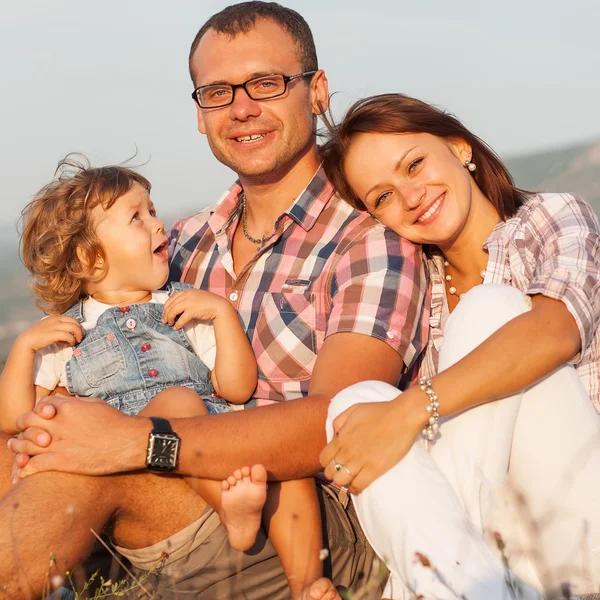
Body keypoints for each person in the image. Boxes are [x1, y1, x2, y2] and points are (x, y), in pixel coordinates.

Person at [0, 5, 428, 599]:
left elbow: (341, 424)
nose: (242, 107)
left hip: (298, 517)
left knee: (77, 476)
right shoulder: (176, 244)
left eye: (266, 83)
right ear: (199, 115)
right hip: (179, 495)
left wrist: (134, 441)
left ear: (317, 91)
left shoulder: (368, 244)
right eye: (218, 92)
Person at [0, 157, 339, 600]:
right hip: (129, 459)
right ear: (89, 256)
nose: (159, 226)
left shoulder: (182, 306)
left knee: (286, 467)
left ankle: (309, 584)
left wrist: (220, 315)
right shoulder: (65, 333)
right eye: (136, 217)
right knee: (47, 442)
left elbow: (236, 387)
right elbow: (17, 418)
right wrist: (24, 349)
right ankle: (231, 512)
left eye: (153, 211)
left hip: (207, 441)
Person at [317, 93, 600, 599]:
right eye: (381, 197)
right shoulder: (416, 293)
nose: (409, 197)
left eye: (415, 164)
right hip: (503, 554)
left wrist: (410, 409)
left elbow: (556, 330)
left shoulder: (551, 218)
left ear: (458, 147)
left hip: (581, 523)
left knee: (491, 308)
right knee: (354, 403)